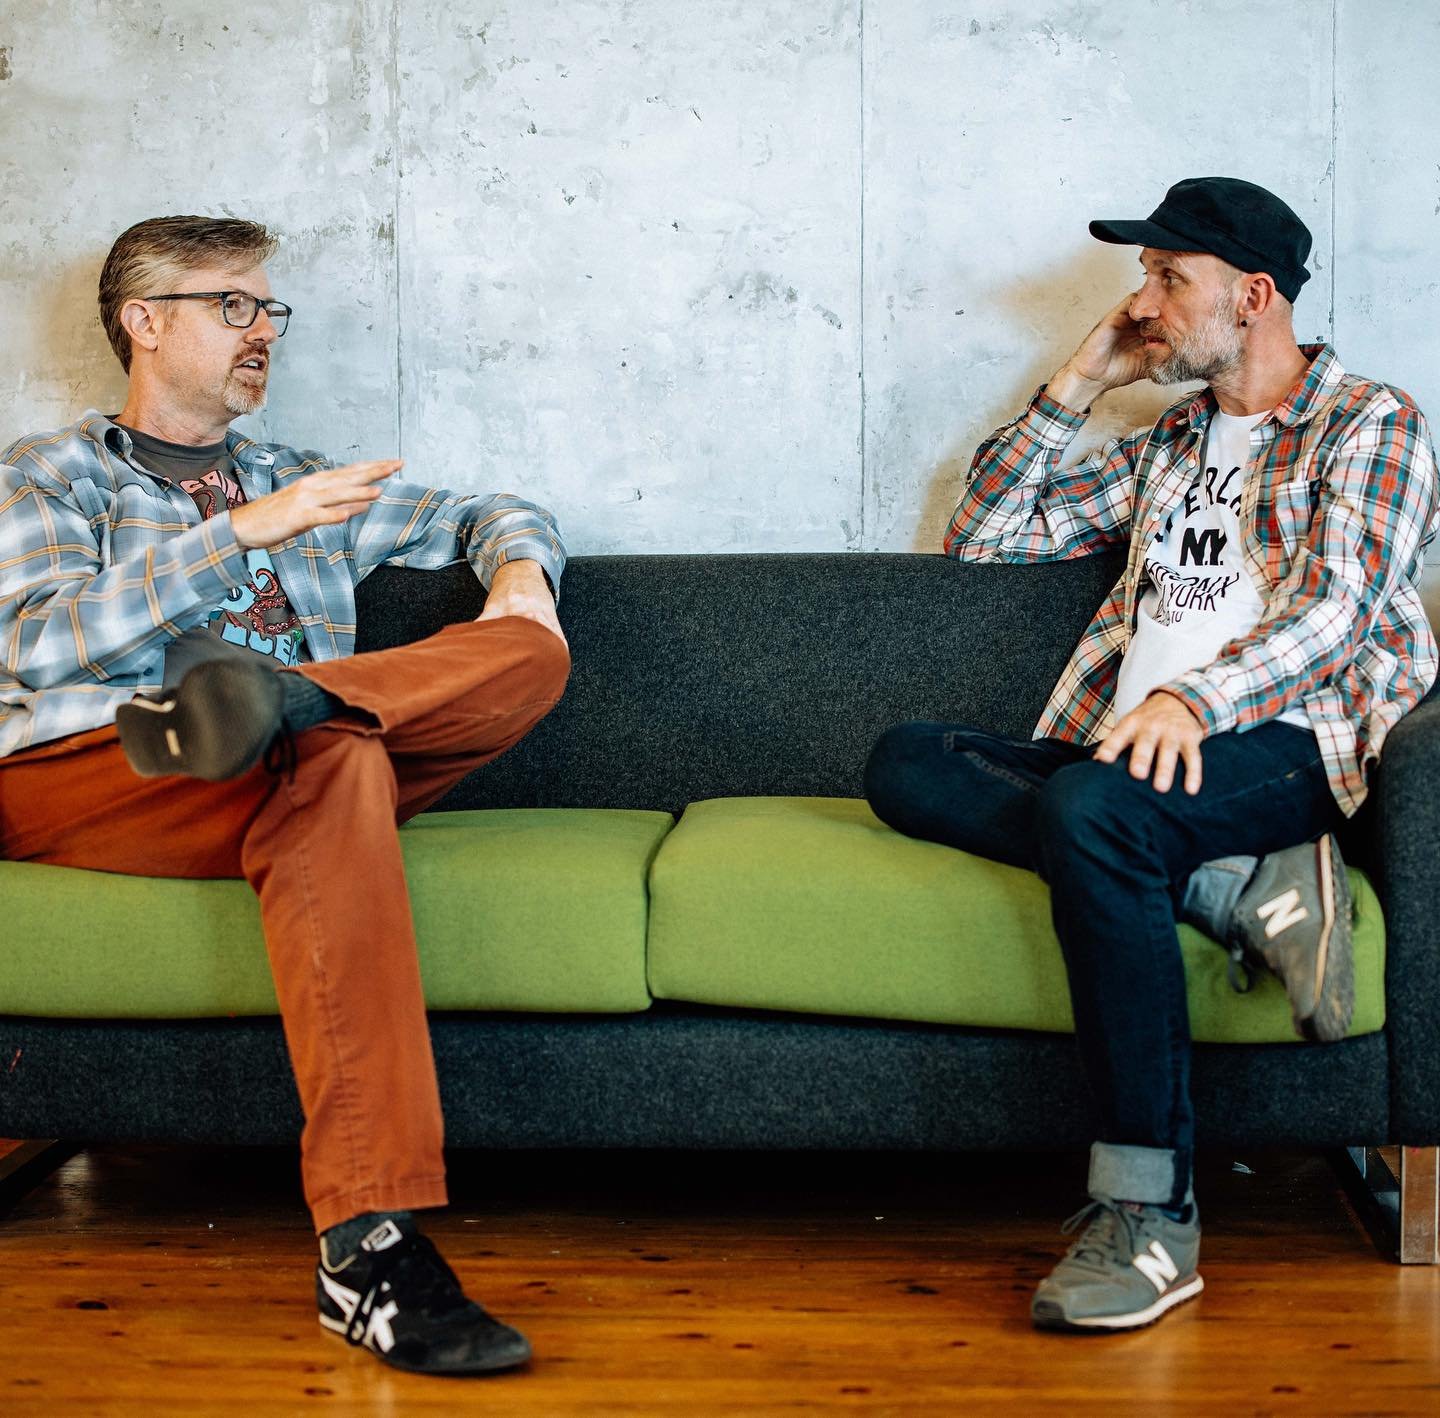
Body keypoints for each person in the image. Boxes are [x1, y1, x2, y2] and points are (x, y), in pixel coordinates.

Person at [863, 177, 1439, 1332]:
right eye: (1148, 276)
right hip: (1123, 757)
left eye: (1170, 276)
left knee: (1094, 815)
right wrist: (1081, 381)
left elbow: (1337, 607)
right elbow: (982, 537)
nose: (1146, 301)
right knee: (906, 759)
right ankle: (1236, 886)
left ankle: (1152, 1215)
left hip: (1284, 740)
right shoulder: (1170, 437)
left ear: (1255, 295)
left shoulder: (1373, 422)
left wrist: (1191, 697)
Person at [0, 216, 573, 1376]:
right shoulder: (46, 474)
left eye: (270, 310)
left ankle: (365, 1248)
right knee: (328, 747)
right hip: (108, 762)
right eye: (233, 306)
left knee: (521, 660)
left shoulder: (298, 477)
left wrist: (519, 569)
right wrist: (234, 539)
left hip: (274, 758)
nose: (263, 331)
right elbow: (37, 644)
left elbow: (491, 507)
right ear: (143, 322)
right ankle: (276, 704)